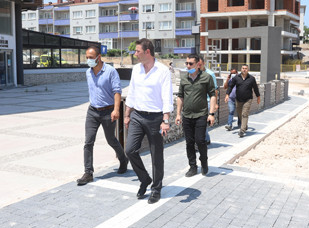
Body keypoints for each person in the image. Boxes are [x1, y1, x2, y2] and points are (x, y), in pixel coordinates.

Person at [124, 39, 173, 204]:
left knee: (156, 155)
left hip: (155, 118)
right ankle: (145, 179)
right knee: (130, 150)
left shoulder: (163, 71)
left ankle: (156, 188)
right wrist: (127, 114)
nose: (135, 54)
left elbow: (167, 97)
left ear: (147, 52)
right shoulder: (136, 69)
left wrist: (165, 120)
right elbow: (132, 92)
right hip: (137, 115)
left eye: (137, 51)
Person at [77, 46, 128, 186]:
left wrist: (116, 110)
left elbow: (117, 91)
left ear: (98, 57)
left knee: (111, 139)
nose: (88, 60)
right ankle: (88, 173)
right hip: (92, 111)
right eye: (87, 57)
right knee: (88, 141)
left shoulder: (110, 71)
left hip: (108, 111)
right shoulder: (88, 72)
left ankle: (123, 160)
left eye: (91, 57)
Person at [175, 54, 216, 177]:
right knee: (189, 142)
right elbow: (180, 97)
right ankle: (192, 167)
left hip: (201, 115)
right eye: (186, 63)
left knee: (200, 141)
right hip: (187, 115)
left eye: (190, 63)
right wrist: (178, 114)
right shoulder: (184, 79)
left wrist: (211, 114)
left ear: (198, 64)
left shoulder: (206, 77)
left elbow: (213, 95)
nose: (188, 66)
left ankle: (204, 162)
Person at [225, 64, 260, 138]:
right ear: (241, 69)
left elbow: (255, 88)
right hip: (238, 99)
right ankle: (245, 125)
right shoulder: (236, 78)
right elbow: (230, 86)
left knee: (245, 114)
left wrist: (258, 97)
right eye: (243, 68)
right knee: (240, 114)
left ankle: (242, 130)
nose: (244, 69)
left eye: (246, 68)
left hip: (248, 99)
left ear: (248, 70)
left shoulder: (251, 78)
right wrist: (227, 95)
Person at [197, 56, 218, 144]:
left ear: (204, 63)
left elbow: (215, 90)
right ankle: (206, 138)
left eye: (200, 64)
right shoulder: (195, 74)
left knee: (203, 121)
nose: (198, 66)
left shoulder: (210, 74)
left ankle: (204, 139)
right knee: (200, 122)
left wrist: (215, 103)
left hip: (208, 101)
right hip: (198, 101)